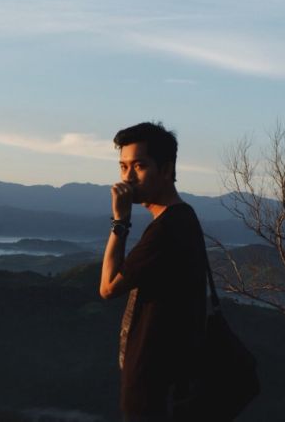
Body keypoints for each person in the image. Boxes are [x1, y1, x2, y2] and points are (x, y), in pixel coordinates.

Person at [99, 122, 207, 421]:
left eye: (139, 166)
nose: (127, 177)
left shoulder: (167, 229)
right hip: (168, 385)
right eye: (123, 167)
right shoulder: (183, 218)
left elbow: (107, 287)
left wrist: (119, 222)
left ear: (166, 169)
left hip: (154, 388)